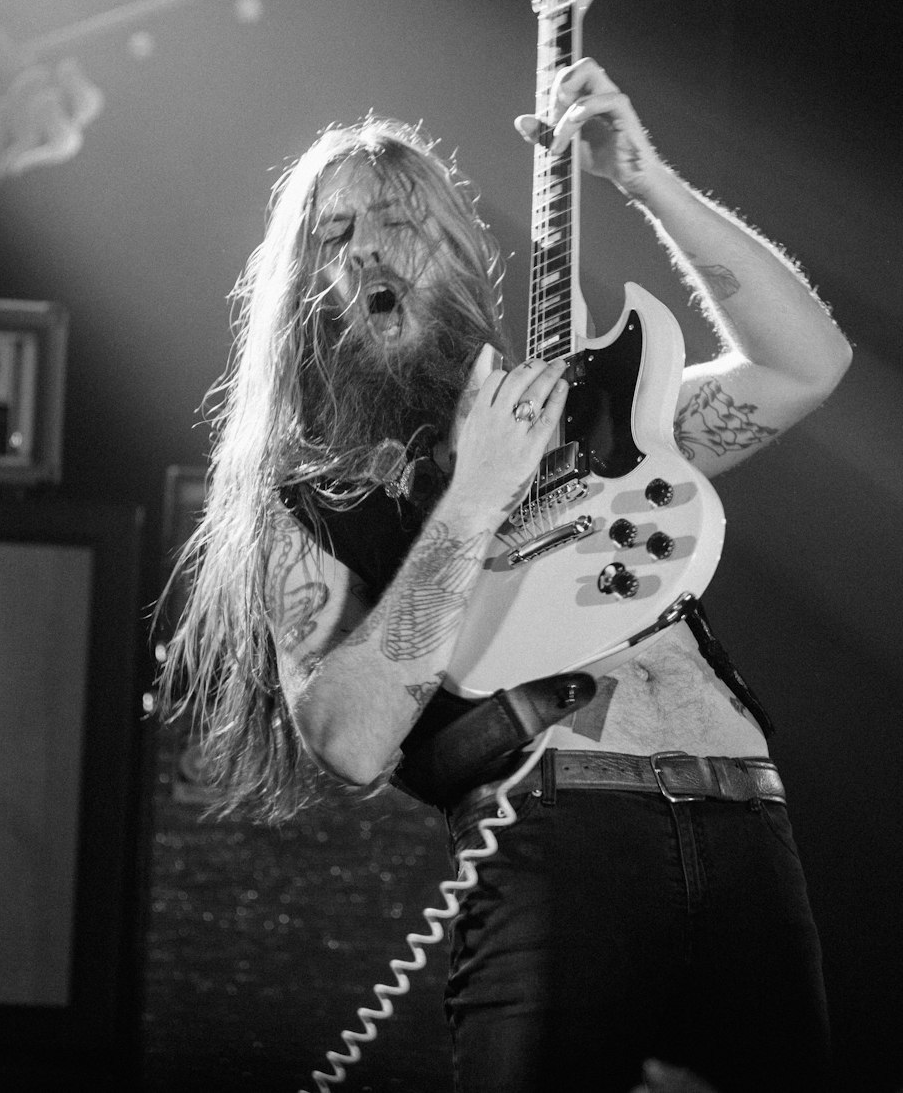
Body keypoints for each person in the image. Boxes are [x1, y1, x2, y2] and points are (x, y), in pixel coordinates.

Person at [160, 59, 852, 1093]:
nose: (366, 254)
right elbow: (350, 741)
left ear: (457, 242)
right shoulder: (305, 505)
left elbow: (805, 366)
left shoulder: (578, 406)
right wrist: (474, 496)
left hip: (748, 820)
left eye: (398, 219)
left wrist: (645, 179)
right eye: (334, 236)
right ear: (298, 285)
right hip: (562, 841)